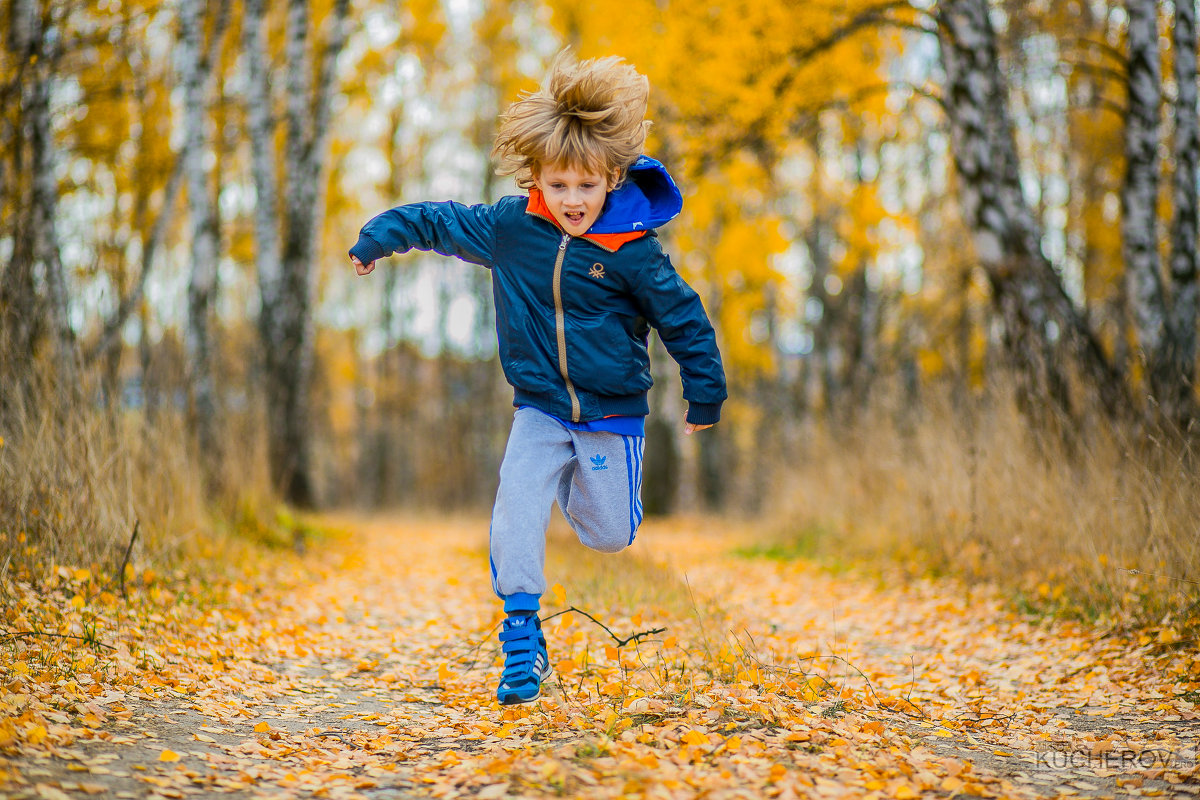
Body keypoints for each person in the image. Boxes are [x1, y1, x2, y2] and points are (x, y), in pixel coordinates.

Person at [348, 51, 726, 705]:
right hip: (541, 407)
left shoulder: (633, 252)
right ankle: (521, 643)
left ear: (610, 177)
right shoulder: (510, 229)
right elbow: (438, 221)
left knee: (609, 535)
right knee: (514, 510)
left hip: (611, 414)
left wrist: (705, 389)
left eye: (586, 187)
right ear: (536, 180)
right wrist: (379, 237)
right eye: (559, 187)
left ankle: (581, 482)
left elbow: (683, 317)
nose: (573, 201)